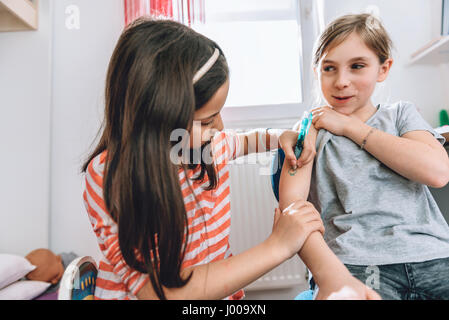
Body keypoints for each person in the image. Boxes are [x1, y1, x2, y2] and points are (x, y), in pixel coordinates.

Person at [81, 17, 327, 300]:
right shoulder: (108, 178)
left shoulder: (203, 147)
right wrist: (277, 246)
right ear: (156, 118)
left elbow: (246, 140)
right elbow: (165, 294)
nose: (220, 128)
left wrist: (278, 136)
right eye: (208, 120)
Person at [280, 13, 449, 300]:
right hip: (357, 264)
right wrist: (329, 276)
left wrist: (351, 128)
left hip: (434, 256)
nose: (341, 81)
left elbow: (437, 172)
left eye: (357, 66)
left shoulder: (401, 114)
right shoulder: (310, 129)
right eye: (329, 68)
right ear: (316, 71)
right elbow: (292, 211)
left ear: (383, 69)